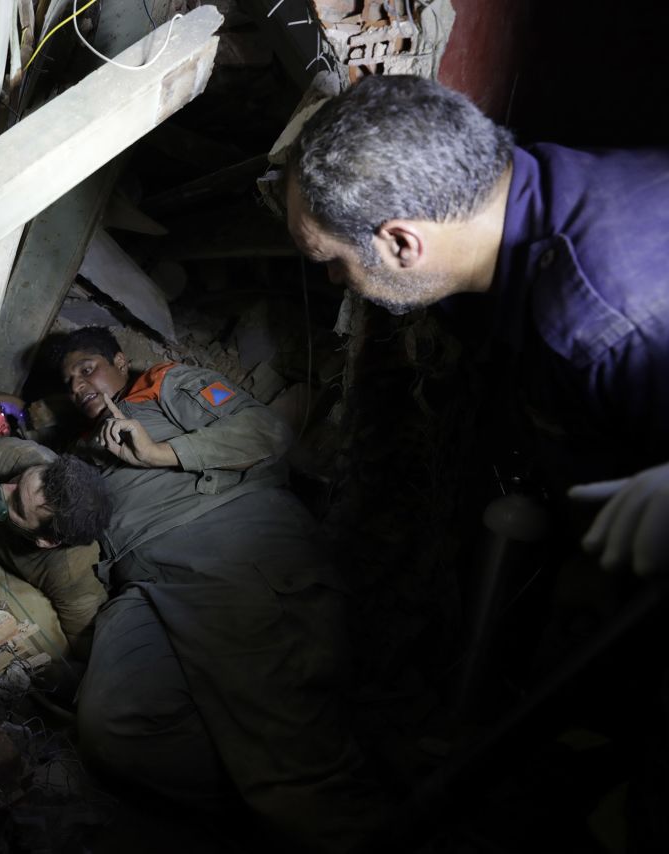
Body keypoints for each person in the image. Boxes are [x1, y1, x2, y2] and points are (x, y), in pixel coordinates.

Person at [0, 327, 387, 853]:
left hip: (226, 543)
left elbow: (267, 433)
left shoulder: (165, 386)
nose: (79, 383)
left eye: (88, 368)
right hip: (143, 581)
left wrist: (160, 453)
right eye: (69, 380)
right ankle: (258, 820)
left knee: (293, 765)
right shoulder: (86, 446)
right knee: (115, 732)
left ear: (120, 360)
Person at [285, 73, 669, 577]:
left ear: (402, 244)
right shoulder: (528, 183)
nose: (336, 279)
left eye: (332, 260)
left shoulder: (605, 322)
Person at [0, 440, 112, 660]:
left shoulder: (72, 572)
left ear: (46, 541)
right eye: (18, 480)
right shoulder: (8, 458)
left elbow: (87, 650)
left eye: (16, 504)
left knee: (46, 646)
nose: (3, 489)